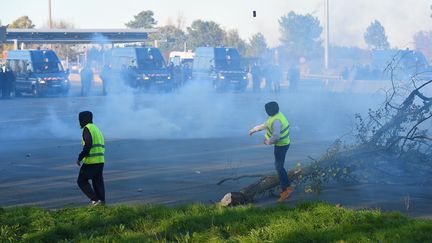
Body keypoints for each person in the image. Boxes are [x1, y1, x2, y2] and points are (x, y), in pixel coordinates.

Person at [248, 101, 292, 202]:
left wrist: (268, 142)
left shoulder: (276, 121)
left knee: (279, 167)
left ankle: (286, 190)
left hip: (281, 146)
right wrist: (255, 129)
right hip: (283, 144)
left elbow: (276, 136)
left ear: (269, 111)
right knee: (279, 167)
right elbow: (266, 125)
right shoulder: (277, 116)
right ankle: (287, 188)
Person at [76, 111, 106, 206]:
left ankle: (95, 200)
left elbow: (88, 145)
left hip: (91, 162)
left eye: (80, 119)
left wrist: (80, 158)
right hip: (100, 161)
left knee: (81, 181)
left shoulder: (87, 129)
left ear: (83, 119)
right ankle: (101, 202)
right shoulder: (96, 129)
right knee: (98, 182)